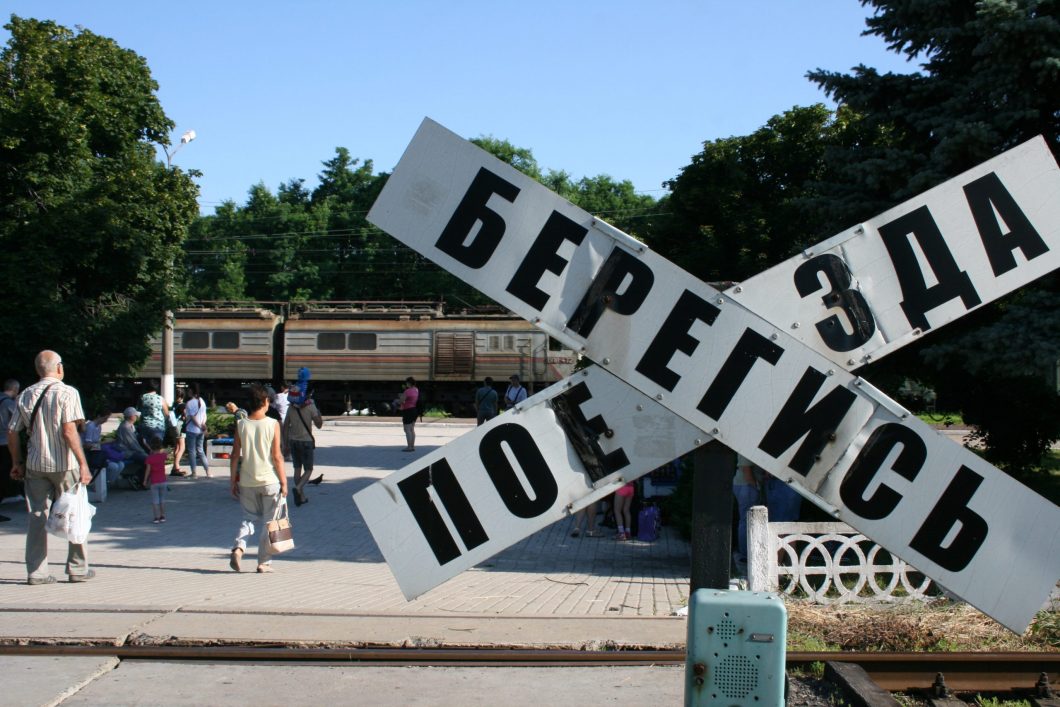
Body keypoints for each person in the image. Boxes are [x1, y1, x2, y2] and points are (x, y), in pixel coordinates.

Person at [6, 351, 94, 584]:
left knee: (37, 515)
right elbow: (69, 430)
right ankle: (77, 568)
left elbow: (12, 431)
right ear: (59, 368)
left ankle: (37, 571)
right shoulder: (68, 392)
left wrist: (17, 462)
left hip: (35, 464)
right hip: (65, 464)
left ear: (38, 370)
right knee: (75, 513)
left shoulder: (24, 394)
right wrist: (83, 464)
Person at [229, 383, 288, 574]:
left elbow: (235, 455)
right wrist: (284, 482)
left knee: (248, 518)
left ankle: (239, 548)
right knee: (269, 522)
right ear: (264, 402)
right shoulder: (273, 424)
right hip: (270, 480)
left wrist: (232, 481)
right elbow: (277, 456)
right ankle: (263, 562)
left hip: (246, 480)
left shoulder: (241, 424)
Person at [283, 386, 323, 506]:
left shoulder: (291, 408)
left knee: (297, 469)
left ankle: (301, 497)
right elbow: (319, 425)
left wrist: (285, 443)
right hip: (306, 442)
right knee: (309, 469)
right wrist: (318, 414)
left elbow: (285, 427)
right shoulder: (311, 406)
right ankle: (298, 487)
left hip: (293, 442)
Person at [732, 454, 764, 574]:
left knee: (745, 520)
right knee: (747, 520)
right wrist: (756, 486)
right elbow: (746, 468)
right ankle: (745, 553)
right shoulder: (746, 447)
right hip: (746, 485)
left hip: (743, 484)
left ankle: (745, 552)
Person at [0, 378, 20, 522]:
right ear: (15, 389)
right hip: (3, 443)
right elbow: (18, 422)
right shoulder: (8, 403)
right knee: (3, 477)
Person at [183, 383, 209, 478]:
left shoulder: (189, 403)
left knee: (192, 452)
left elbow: (192, 417)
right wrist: (203, 425)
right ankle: (208, 472)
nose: (187, 392)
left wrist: (199, 425)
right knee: (201, 450)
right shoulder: (202, 401)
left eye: (188, 390)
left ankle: (194, 473)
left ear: (191, 391)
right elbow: (204, 415)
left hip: (191, 430)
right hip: (200, 431)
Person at [142, 437, 169, 523]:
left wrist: (145, 480)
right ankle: (163, 516)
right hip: (163, 481)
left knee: (155, 501)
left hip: (154, 481)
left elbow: (148, 470)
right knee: (162, 500)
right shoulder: (163, 456)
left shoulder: (149, 458)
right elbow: (166, 453)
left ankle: (156, 517)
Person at [138, 380, 169, 445]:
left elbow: (139, 410)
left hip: (145, 425)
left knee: (146, 447)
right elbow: (166, 413)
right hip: (158, 426)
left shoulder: (142, 397)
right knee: (157, 447)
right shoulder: (161, 399)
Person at [170, 388, 188, 476]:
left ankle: (174, 467)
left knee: (176, 447)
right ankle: (177, 467)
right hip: (180, 427)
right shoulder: (182, 405)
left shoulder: (174, 404)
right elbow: (186, 415)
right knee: (182, 447)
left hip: (173, 426)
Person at [398, 377, 419, 452]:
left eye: (406, 383)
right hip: (414, 410)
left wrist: (400, 398)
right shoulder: (416, 390)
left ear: (409, 383)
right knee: (411, 429)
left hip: (408, 411)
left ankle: (409, 447)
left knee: (407, 429)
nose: (406, 384)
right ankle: (412, 446)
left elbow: (401, 401)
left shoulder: (407, 391)